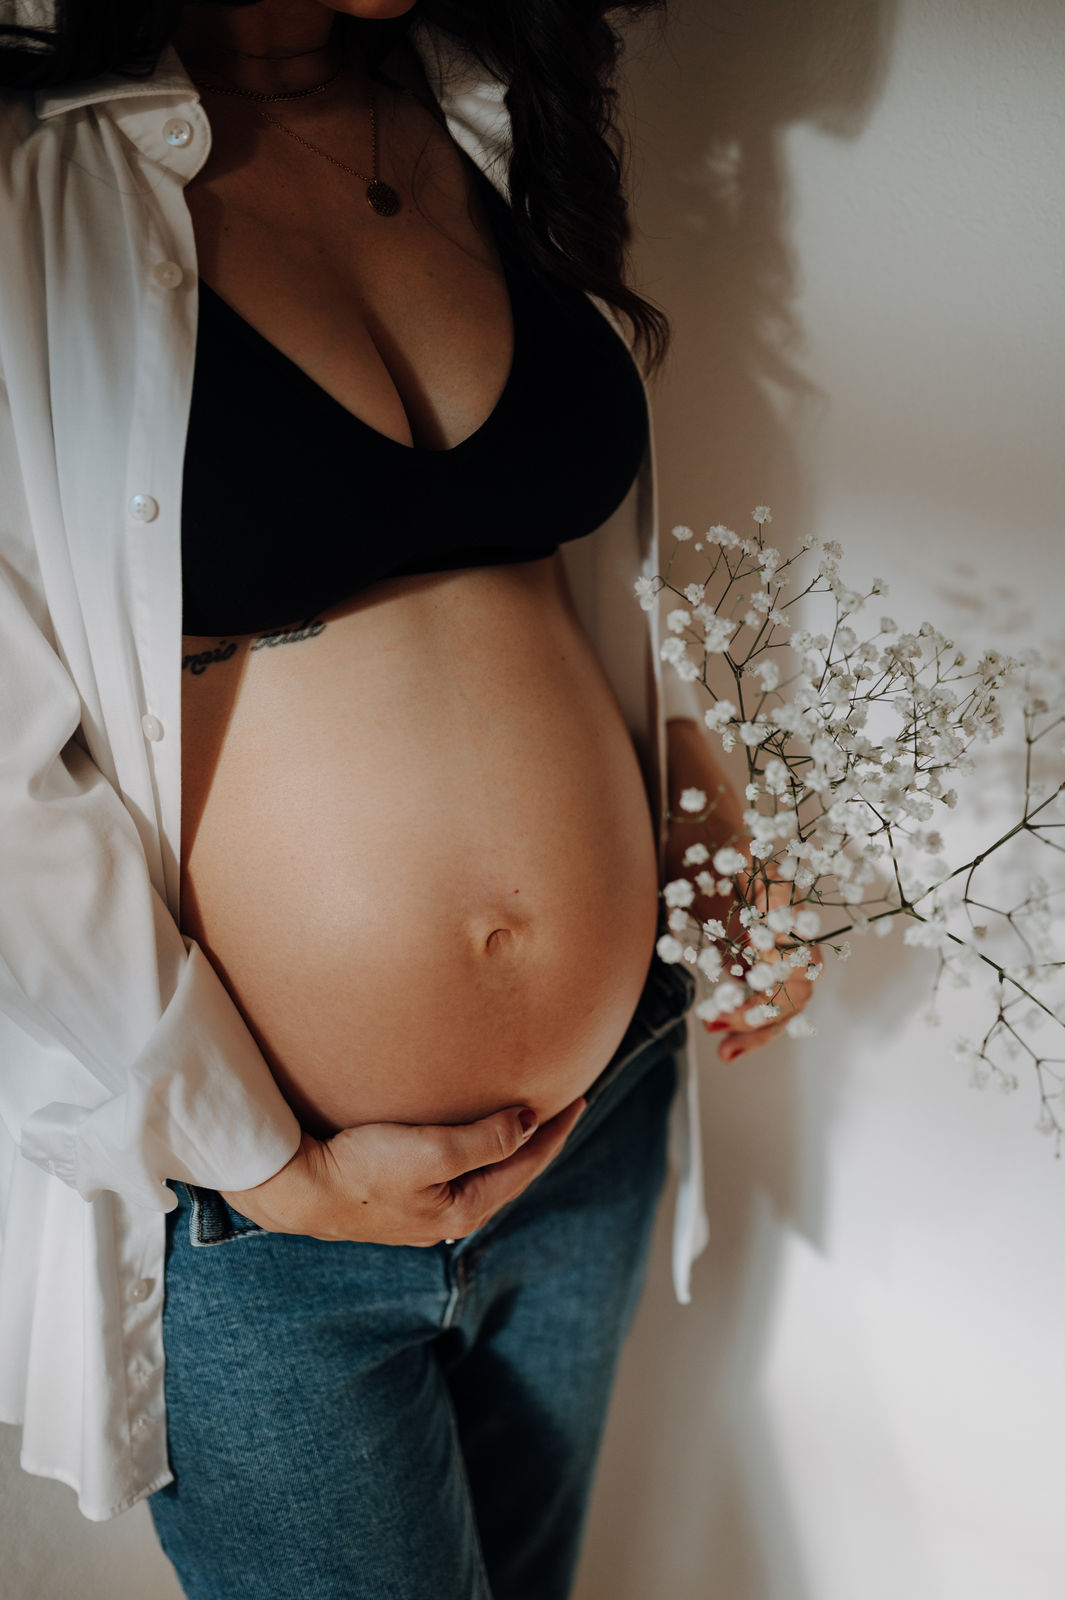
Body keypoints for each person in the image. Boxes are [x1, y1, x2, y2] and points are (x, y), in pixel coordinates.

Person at [0, 2, 817, 1595]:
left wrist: (704, 824)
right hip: (274, 1212)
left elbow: (575, 576)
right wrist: (255, 1158)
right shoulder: (39, 175)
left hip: (594, 1129)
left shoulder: (492, 122)